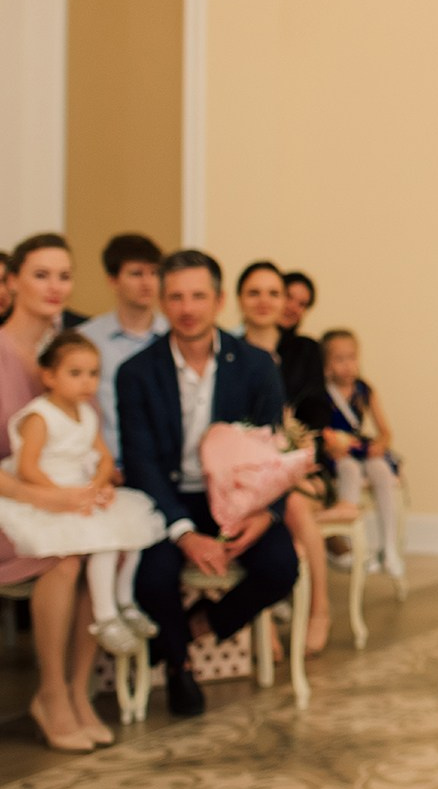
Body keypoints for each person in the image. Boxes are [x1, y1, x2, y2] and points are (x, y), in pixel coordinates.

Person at [120, 250, 299, 718]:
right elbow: (140, 464)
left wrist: (265, 514)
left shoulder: (257, 365)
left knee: (281, 565)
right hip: (166, 499)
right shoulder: (136, 373)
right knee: (152, 575)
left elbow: (274, 453)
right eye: (176, 297)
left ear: (219, 301)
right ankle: (179, 667)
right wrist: (185, 532)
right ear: (162, 301)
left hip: (238, 500)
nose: (187, 307)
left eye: (198, 295)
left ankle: (194, 629)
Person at [0, 234, 111, 752]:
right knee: (65, 560)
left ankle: (78, 688)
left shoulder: (70, 352)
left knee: (99, 550)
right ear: (13, 280)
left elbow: (91, 435)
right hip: (11, 497)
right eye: (41, 274)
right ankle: (49, 692)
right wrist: (38, 497)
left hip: (64, 495)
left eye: (63, 275)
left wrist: (98, 481)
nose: (54, 286)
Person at [0, 331, 166, 656]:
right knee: (101, 542)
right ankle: (104, 617)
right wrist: (60, 494)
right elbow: (27, 468)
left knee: (131, 536)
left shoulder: (86, 413)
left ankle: (124, 600)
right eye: (75, 373)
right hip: (50, 495)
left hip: (81, 492)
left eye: (93, 374)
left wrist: (100, 485)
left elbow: (103, 457)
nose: (87, 383)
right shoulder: (40, 416)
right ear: (48, 375)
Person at [235, 261, 333, 651]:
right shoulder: (227, 350)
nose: (264, 302)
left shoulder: (304, 350)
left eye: (273, 294)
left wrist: (299, 458)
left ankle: (320, 609)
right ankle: (263, 622)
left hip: (301, 465)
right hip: (244, 470)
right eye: (254, 293)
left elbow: (317, 413)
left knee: (290, 504)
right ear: (238, 299)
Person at [316, 328, 404, 579]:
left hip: (361, 449)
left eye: (352, 357)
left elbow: (385, 431)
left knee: (381, 470)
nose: (347, 365)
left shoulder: (364, 390)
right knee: (349, 469)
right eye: (339, 359)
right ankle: (348, 541)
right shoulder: (322, 393)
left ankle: (388, 546)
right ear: (326, 364)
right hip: (339, 456)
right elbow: (319, 432)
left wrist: (380, 444)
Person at [78, 233, 170, 463]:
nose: (147, 283)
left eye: (154, 273)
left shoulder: (175, 335)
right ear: (113, 280)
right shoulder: (86, 339)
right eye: (136, 273)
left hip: (165, 464)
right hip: (106, 462)